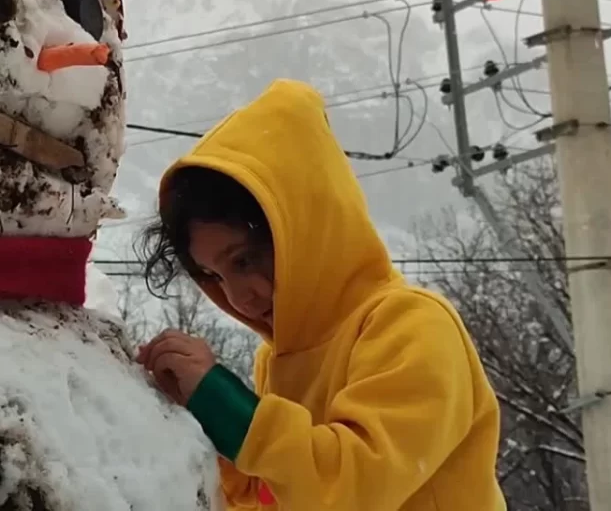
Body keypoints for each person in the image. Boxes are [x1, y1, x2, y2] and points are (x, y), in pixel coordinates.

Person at [134, 79, 506, 510]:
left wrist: (229, 409)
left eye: (244, 261)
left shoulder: (412, 324)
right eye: (213, 276)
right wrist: (203, 422)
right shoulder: (276, 360)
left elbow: (353, 487)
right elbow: (277, 495)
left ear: (307, 230)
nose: (238, 298)